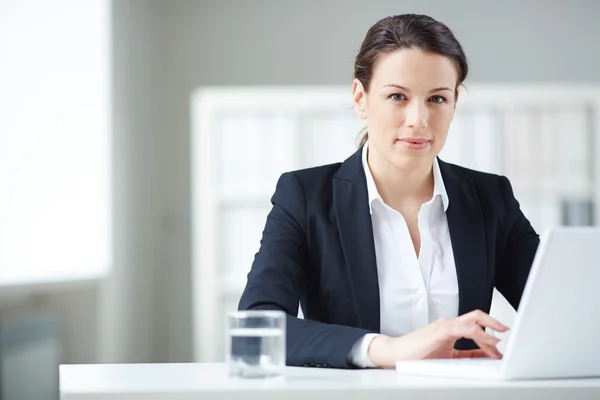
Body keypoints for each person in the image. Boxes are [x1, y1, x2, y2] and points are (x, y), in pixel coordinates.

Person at [238, 13, 539, 369]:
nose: (419, 120)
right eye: (397, 96)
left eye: (437, 99)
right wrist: (387, 351)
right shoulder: (305, 197)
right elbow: (256, 329)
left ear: (455, 101)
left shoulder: (491, 198)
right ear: (360, 97)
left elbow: (562, 311)